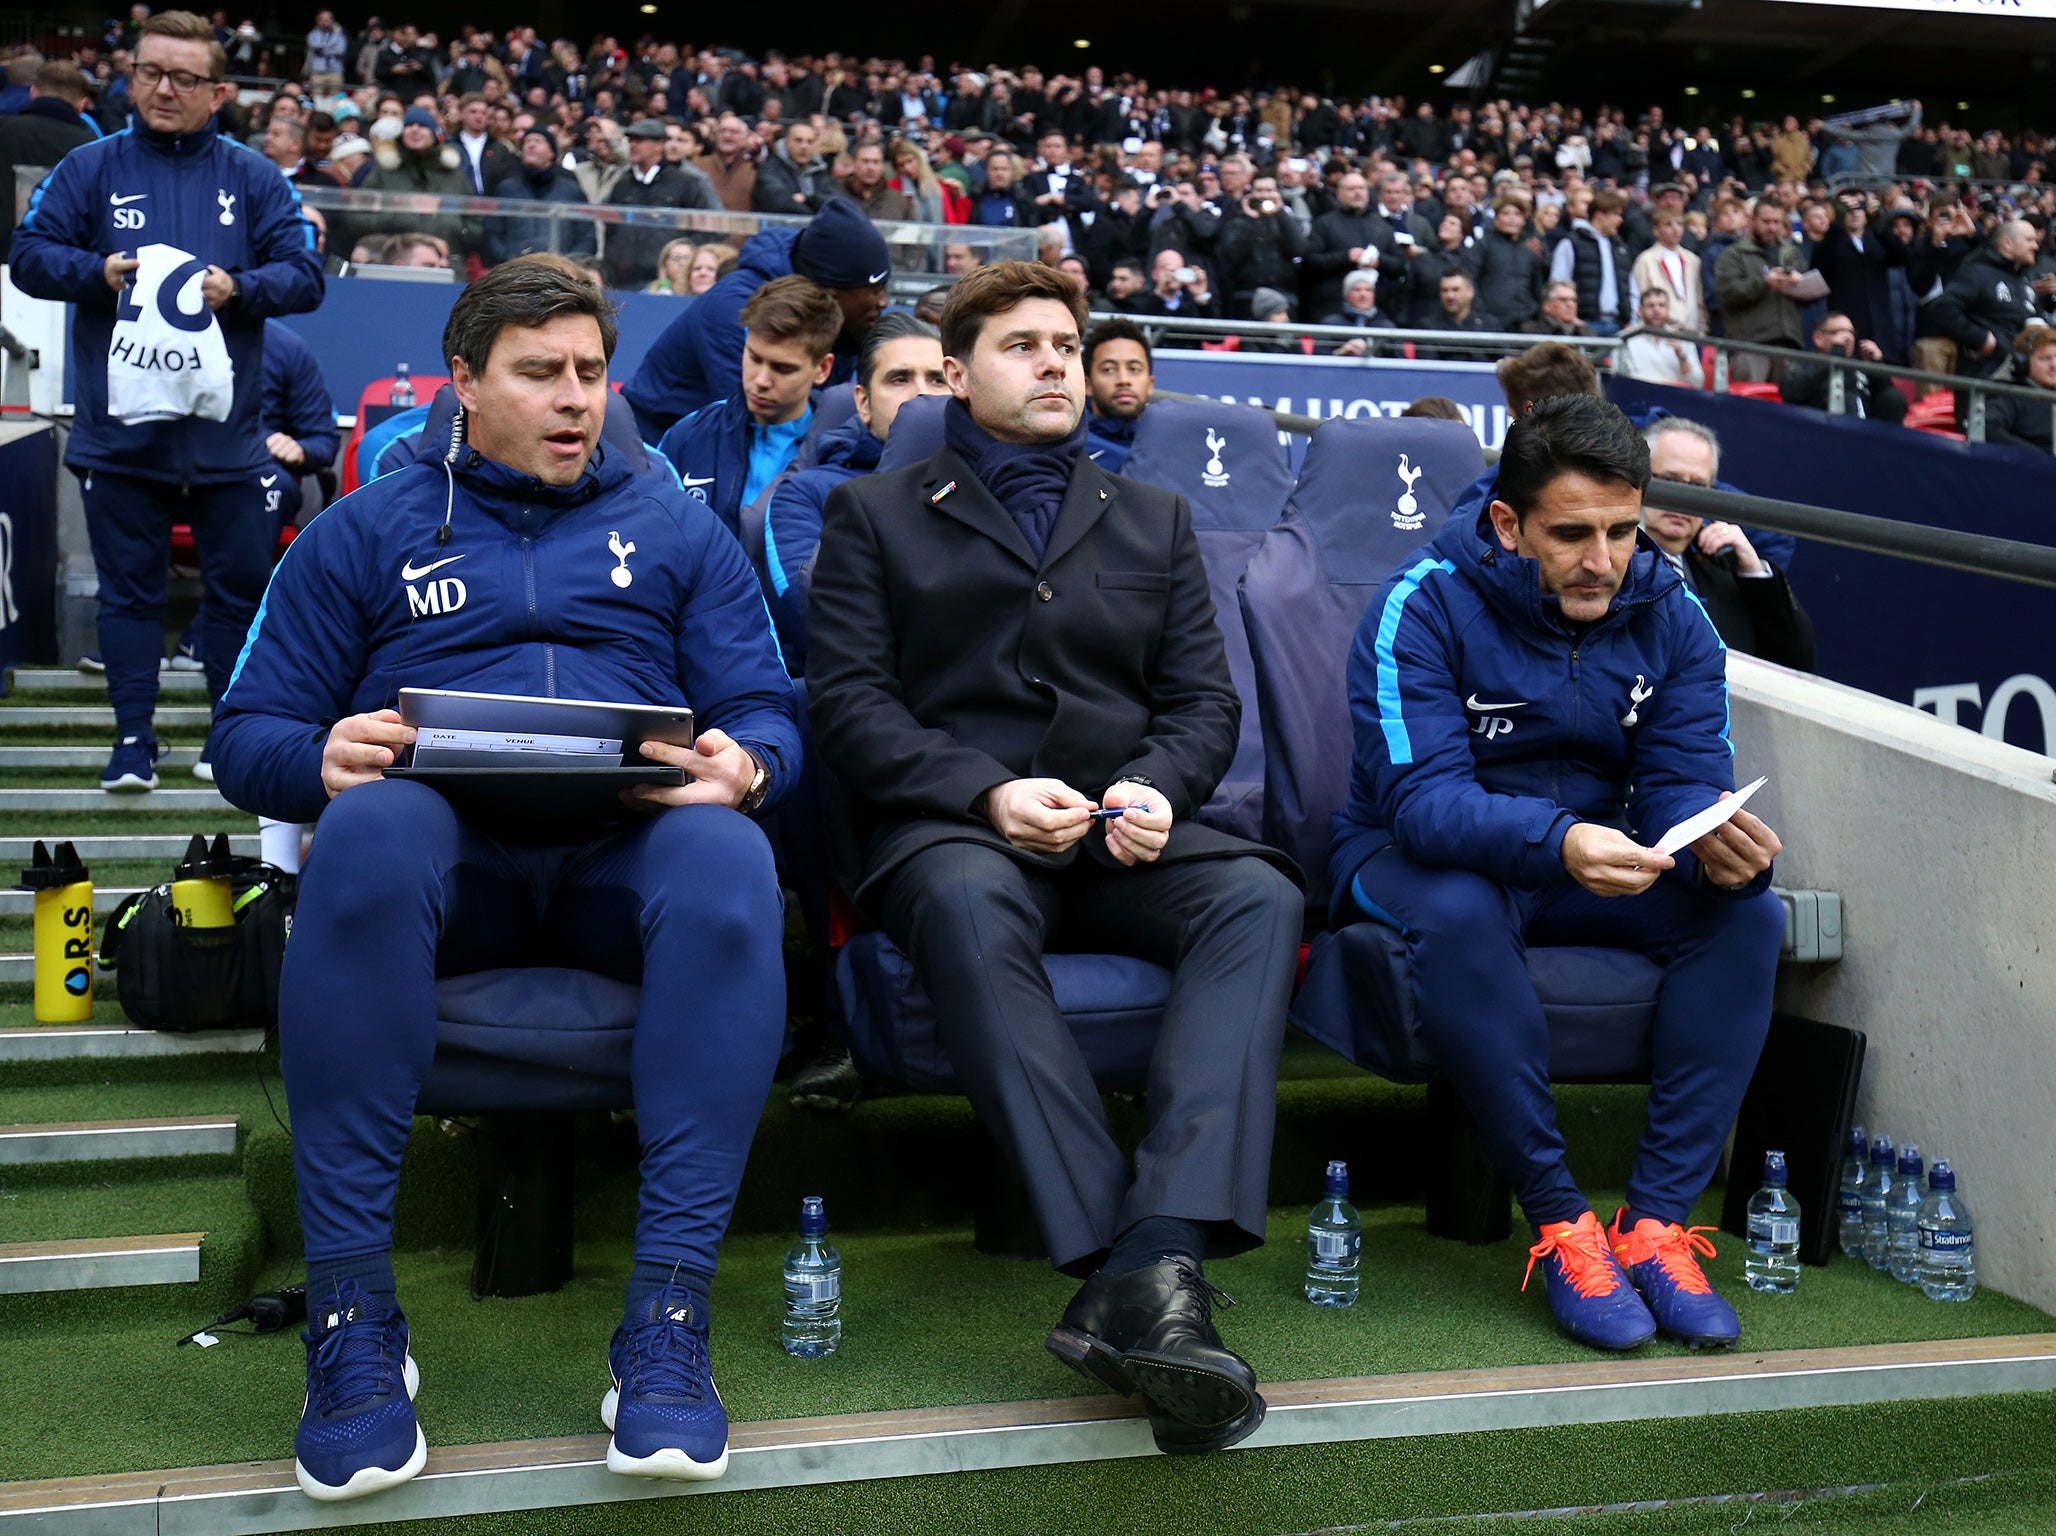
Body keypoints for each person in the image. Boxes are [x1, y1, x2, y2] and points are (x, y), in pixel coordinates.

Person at [212, 256, 798, 1503]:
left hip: (621, 855)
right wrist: (317, 755)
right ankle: (355, 1324)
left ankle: (667, 1326)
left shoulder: (679, 526)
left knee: (728, 855)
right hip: (446, 864)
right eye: (541, 374)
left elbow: (764, 705)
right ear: (465, 382)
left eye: (591, 372)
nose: (577, 398)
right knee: (362, 834)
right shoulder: (358, 528)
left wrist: (748, 762)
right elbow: (245, 732)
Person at [806, 261, 1302, 1457]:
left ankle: (1153, 1250)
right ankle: (1134, 1266)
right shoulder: (873, 512)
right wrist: (982, 788)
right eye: (1022, 345)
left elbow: (1201, 704)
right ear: (960, 371)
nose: (1053, 365)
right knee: (972, 902)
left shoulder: (1152, 514)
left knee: (1259, 893)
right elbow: (851, 707)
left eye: (1067, 346)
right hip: (956, 832)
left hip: (1119, 832)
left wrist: (1155, 787)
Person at [1334, 393, 1785, 1356]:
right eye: (1572, 533)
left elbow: (1678, 777)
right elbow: (1421, 803)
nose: (1603, 561)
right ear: (1508, 523)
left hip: (1582, 854)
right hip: (1408, 855)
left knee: (1746, 916)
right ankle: (1561, 1223)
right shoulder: (1418, 602)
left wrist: (1707, 838)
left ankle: (1656, 1225)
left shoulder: (1673, 608)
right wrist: (1565, 839)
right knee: (1459, 908)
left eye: (1622, 531)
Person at [11, 9, 324, 791]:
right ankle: (133, 741)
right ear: (131, 75)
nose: (163, 89)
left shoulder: (253, 175)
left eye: (184, 78)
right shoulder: (90, 165)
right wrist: (98, 273)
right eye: (150, 72)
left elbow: (307, 275)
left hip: (227, 435)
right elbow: (27, 256)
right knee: (129, 593)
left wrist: (239, 287)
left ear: (216, 91)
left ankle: (231, 734)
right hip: (122, 431)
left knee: (240, 593)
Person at [761, 312, 948, 671]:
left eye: (937, 380)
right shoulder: (803, 494)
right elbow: (811, 618)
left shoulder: (987, 484)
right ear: (862, 402)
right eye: (900, 379)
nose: (921, 395)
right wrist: (898, 479)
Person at [624, 198, 889, 440]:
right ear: (834, 293)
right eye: (875, 290)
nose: (883, 302)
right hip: (653, 443)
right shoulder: (737, 309)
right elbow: (759, 423)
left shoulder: (844, 320)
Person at [657, 275, 841, 539]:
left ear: (822, 369)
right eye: (754, 358)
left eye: (783, 368)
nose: (761, 380)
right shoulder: (688, 436)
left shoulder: (843, 449)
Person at [1640, 417, 1815, 670]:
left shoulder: (1722, 572)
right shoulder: (1609, 561)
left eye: (1698, 486)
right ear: (1639, 480)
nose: (1684, 498)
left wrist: (1754, 572)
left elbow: (1796, 664)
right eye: (1669, 480)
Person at [0, 61, 99, 262]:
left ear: (33, 92)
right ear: (81, 104)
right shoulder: (92, 148)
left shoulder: (3, 129)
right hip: (60, 263)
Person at [604, 118, 715, 290]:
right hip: (622, 279)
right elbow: (610, 228)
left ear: (659, 145)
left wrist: (681, 257)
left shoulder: (685, 182)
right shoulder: (622, 184)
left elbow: (708, 228)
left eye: (640, 140)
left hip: (667, 281)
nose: (633, 145)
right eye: (631, 140)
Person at [1928, 219, 2044, 381]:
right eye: (2029, 240)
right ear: (2007, 244)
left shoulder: (2025, 279)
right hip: (1985, 376)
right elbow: (1942, 309)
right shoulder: (1978, 272)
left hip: (2023, 376)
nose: (2035, 246)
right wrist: (1981, 338)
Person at [1713, 199, 1806, 383]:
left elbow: (1809, 295)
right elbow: (1728, 292)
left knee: (1788, 408)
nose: (1772, 227)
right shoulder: (1733, 254)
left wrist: (1800, 283)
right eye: (1766, 221)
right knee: (1750, 406)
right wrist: (1764, 282)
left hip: (1788, 343)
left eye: (1777, 222)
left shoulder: (1791, 253)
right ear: (1752, 220)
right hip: (1750, 345)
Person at [485, 126, 597, 265]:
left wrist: (568, 264)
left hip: (561, 273)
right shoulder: (506, 189)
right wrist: (508, 260)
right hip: (514, 272)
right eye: (527, 142)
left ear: (552, 153)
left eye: (538, 141)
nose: (531, 145)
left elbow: (587, 236)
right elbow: (492, 233)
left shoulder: (572, 190)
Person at [1780, 310, 1909, 425]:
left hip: (1868, 434)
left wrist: (1878, 364)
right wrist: (1835, 354)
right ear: (1818, 338)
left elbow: (1889, 401)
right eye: (1839, 332)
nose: (1848, 338)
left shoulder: (1861, 366)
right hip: (1821, 429)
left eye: (1851, 332)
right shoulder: (1806, 362)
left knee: (1893, 398)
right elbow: (1792, 392)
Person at [1549, 188, 1634, 337]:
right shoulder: (1571, 243)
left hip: (1618, 326)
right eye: (1616, 214)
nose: (1620, 220)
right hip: (1583, 324)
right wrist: (1571, 319)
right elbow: (1558, 283)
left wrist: (1630, 319)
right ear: (1600, 214)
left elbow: (1630, 287)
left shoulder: (1621, 248)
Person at [1082, 315, 1153, 471]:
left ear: (1150, 384)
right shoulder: (1071, 447)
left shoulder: (1169, 446)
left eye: (1134, 369)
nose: (1123, 380)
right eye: (1109, 369)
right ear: (1088, 385)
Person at [1629, 209, 1704, 335]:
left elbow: (1699, 298)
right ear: (1656, 231)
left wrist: (1702, 327)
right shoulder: (1646, 260)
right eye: (1668, 224)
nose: (1675, 229)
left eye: (1680, 224)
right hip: (1660, 331)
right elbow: (1639, 296)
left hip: (1691, 329)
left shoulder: (1693, 260)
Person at [1984, 325, 2056, 454]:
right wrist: (2041, 459)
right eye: (2045, 358)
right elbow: (1989, 428)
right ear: (2023, 363)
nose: (2054, 365)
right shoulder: (2010, 394)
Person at [1617, 289, 1705, 388]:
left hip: (1676, 398)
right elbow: (1621, 381)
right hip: (1640, 396)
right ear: (1640, 311)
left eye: (1661, 305)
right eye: (1651, 306)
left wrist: (1682, 358)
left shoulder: (1683, 340)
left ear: (1668, 310)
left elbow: (1698, 383)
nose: (1656, 310)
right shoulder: (1627, 339)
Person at [752, 120, 833, 214]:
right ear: (786, 143)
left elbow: (841, 202)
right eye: (798, 140)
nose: (804, 146)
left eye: (810, 142)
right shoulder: (769, 169)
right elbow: (780, 203)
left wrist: (808, 198)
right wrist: (819, 216)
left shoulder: (820, 171)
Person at [1323, 268, 1397, 356]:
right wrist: (1340, 353)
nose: (1363, 294)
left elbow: (1398, 360)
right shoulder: (1331, 323)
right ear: (1347, 295)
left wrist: (1369, 352)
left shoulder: (1386, 326)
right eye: (1357, 290)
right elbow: (1318, 358)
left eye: (1368, 290)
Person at [1520, 281, 1590, 339]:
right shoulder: (1531, 332)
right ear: (1547, 306)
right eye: (1563, 300)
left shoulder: (1584, 332)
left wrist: (1583, 329)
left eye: (1574, 300)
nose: (1570, 305)